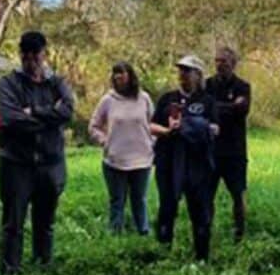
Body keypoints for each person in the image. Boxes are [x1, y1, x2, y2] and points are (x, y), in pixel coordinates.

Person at [0, 31, 74, 275]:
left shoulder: (57, 83)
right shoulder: (8, 83)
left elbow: (68, 110)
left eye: (35, 56)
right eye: (25, 57)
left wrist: (34, 112)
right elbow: (11, 118)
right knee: (13, 223)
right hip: (17, 163)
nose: (31, 62)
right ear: (21, 56)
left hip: (50, 163)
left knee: (45, 221)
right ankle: (10, 273)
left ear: (43, 55)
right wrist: (50, 117)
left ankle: (43, 267)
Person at [152, 56, 222, 261]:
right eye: (180, 70)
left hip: (197, 163)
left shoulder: (207, 101)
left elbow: (216, 128)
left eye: (187, 70)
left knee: (199, 210)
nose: (182, 74)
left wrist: (193, 126)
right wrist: (167, 130)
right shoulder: (167, 99)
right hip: (168, 161)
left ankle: (201, 257)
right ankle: (163, 254)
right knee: (167, 207)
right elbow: (151, 126)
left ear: (198, 74)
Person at [88, 62, 155, 236]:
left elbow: (153, 123)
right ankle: (115, 235)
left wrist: (151, 142)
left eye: (122, 73)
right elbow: (94, 126)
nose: (118, 77)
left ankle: (143, 232)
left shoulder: (143, 98)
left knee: (139, 200)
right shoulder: (108, 100)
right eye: (115, 73)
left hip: (141, 159)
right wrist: (105, 141)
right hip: (115, 160)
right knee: (117, 201)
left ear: (130, 75)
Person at [205, 47, 253, 242]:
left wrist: (217, 107)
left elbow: (242, 110)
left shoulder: (243, 86)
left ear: (233, 63)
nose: (219, 65)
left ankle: (239, 233)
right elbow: (205, 111)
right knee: (207, 195)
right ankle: (206, 229)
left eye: (224, 61)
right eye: (217, 61)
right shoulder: (207, 85)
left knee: (238, 194)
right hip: (211, 150)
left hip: (234, 150)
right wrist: (229, 107)